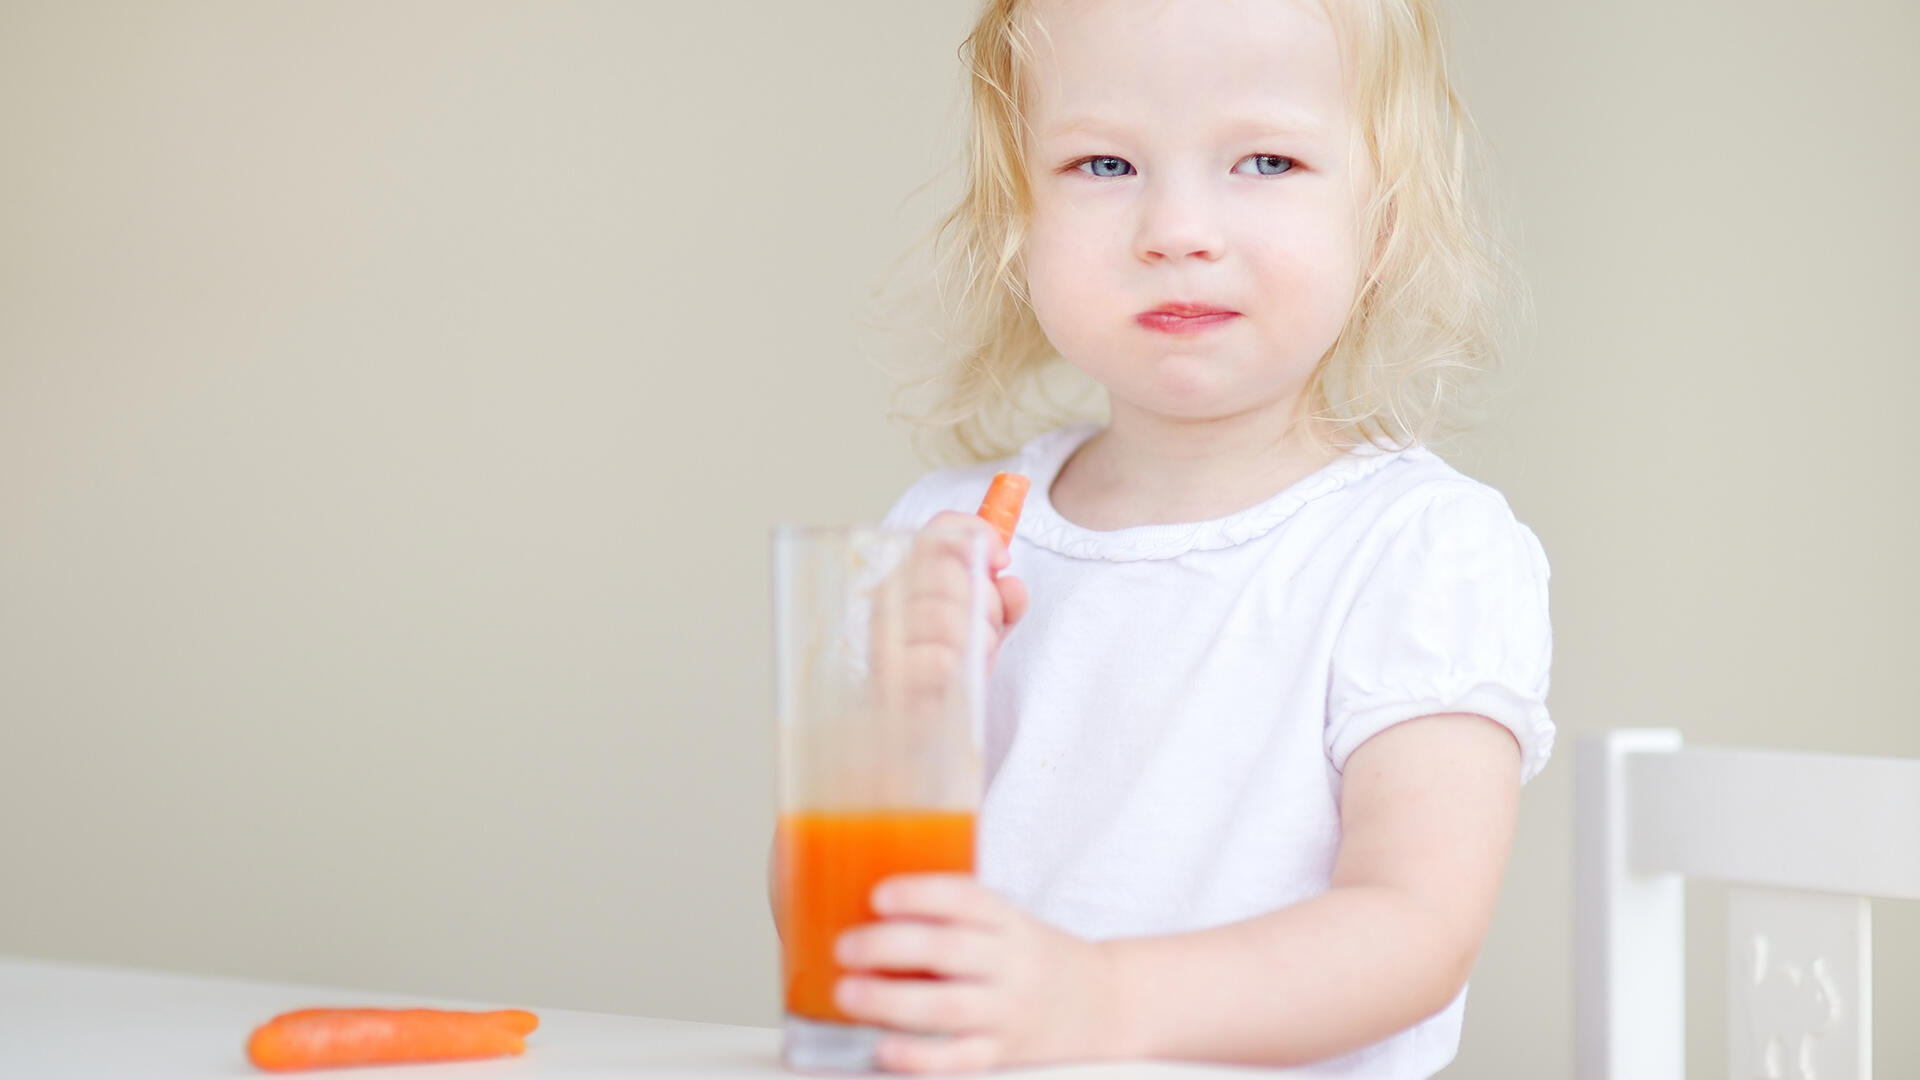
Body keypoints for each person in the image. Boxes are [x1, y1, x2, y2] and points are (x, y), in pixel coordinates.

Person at [815, 1, 1552, 1074]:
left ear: (1384, 218)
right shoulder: (948, 534)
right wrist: (903, 725)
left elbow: (1414, 933)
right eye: (1104, 164)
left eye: (1266, 160)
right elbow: (836, 945)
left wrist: (1096, 1000)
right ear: (1018, 218)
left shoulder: (1420, 548)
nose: (1177, 229)